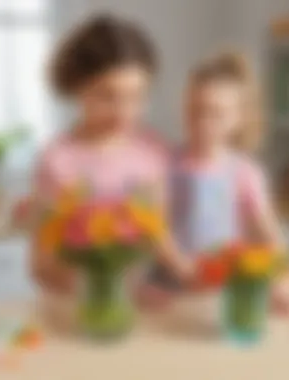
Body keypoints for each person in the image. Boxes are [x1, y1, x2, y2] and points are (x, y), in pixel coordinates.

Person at [30, 15, 191, 302]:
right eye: (107, 96)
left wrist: (186, 278)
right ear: (77, 87)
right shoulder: (57, 161)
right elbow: (41, 267)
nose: (124, 112)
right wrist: (99, 289)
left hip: (146, 310)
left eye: (137, 96)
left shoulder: (154, 152)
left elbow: (160, 240)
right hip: (79, 310)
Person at [144, 52, 289, 314]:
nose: (203, 122)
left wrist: (281, 285)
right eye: (195, 111)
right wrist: (182, 268)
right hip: (166, 289)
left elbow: (271, 236)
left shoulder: (245, 172)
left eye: (216, 113)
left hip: (221, 289)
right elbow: (154, 227)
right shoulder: (163, 163)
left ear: (239, 117)